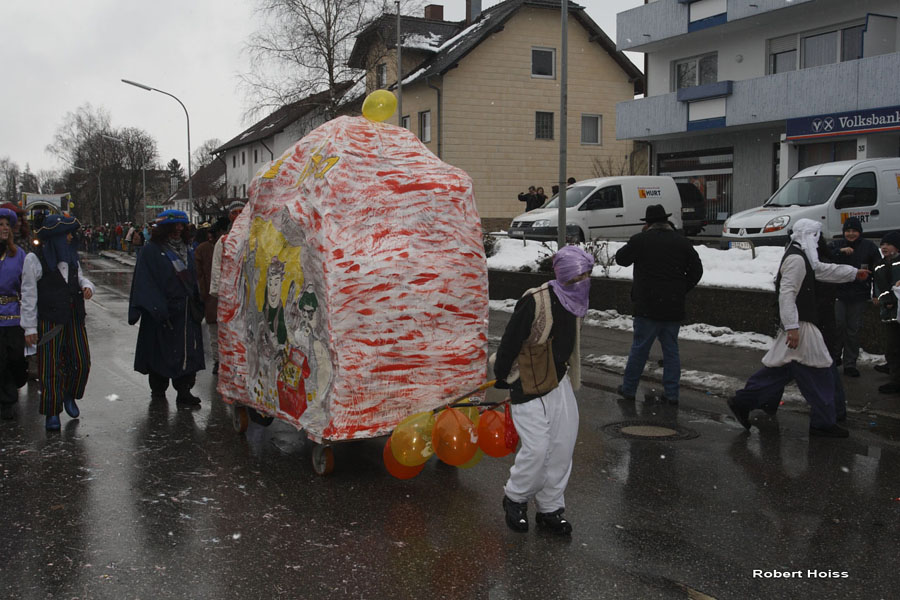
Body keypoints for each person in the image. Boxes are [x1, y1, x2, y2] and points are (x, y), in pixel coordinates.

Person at [728, 219, 868, 438]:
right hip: (801, 325)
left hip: (800, 324)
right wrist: (792, 327)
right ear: (809, 236)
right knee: (818, 370)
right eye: (816, 236)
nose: (818, 240)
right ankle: (822, 421)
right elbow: (787, 293)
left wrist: (852, 273)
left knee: (782, 371)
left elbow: (821, 271)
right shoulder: (796, 258)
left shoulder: (802, 256)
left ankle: (743, 401)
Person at [492, 245, 595, 536]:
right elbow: (510, 341)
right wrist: (502, 375)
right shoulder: (535, 302)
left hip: (558, 381)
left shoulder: (577, 301)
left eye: (587, 276)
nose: (582, 282)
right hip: (527, 382)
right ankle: (515, 497)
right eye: (576, 278)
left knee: (562, 446)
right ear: (562, 277)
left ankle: (550, 508)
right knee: (537, 448)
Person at [614, 204, 703, 405]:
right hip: (673, 306)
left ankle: (629, 389)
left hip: (646, 307)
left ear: (648, 223)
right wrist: (681, 289)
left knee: (640, 349)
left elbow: (621, 259)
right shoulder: (681, 242)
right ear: (667, 221)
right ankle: (672, 394)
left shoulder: (641, 240)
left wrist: (639, 239)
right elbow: (697, 271)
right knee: (671, 351)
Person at [20, 214, 94, 430]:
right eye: (66, 234)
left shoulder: (71, 257)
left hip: (74, 318)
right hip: (49, 320)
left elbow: (80, 277)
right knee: (50, 368)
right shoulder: (34, 259)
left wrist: (88, 286)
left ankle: (70, 394)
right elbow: (29, 295)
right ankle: (52, 412)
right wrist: (30, 328)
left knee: (82, 362)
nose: (71, 237)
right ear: (55, 238)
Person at [128, 210, 205, 407]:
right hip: (162, 313)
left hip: (185, 312)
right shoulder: (150, 251)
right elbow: (144, 281)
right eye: (174, 226)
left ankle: (184, 391)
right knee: (159, 354)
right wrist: (156, 308)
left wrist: (199, 302)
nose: (178, 230)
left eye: (182, 226)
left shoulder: (188, 249)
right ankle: (158, 392)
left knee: (186, 352)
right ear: (163, 229)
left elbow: (194, 280)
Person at [829, 217, 880, 377]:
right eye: (848, 231)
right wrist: (839, 252)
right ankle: (834, 358)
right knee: (837, 326)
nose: (850, 234)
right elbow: (824, 260)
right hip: (839, 293)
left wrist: (876, 293)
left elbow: (877, 270)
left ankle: (850, 363)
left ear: (860, 232)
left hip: (859, 294)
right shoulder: (836, 245)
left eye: (854, 231)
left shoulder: (869, 247)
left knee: (853, 330)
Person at [0, 208, 27, 420]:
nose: (4, 229)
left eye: (7, 225)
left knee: (16, 358)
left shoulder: (18, 255)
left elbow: (27, 288)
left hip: (13, 315)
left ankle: (15, 385)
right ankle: (7, 400)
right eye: (1, 225)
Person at [195, 219, 225, 375]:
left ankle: (223, 361)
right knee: (214, 330)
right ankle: (218, 360)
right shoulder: (203, 249)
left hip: (224, 297)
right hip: (213, 296)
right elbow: (200, 275)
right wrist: (205, 294)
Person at [873, 231, 900, 394]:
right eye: (882, 245)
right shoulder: (879, 265)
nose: (884, 247)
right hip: (890, 314)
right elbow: (880, 288)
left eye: (888, 244)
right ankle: (895, 378)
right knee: (892, 347)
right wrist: (886, 299)